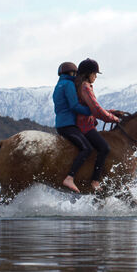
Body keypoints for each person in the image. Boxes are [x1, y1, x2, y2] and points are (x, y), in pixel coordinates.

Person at [74, 58, 127, 193]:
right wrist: (114, 119)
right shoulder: (85, 87)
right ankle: (95, 181)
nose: (96, 77)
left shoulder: (82, 85)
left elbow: (94, 109)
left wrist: (112, 112)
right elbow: (96, 110)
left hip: (84, 123)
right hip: (85, 125)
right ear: (88, 73)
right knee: (104, 148)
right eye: (94, 74)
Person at [52, 61, 94, 193]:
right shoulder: (69, 84)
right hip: (68, 124)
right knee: (87, 148)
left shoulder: (58, 85)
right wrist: (91, 111)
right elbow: (74, 106)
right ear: (72, 73)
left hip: (60, 124)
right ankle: (70, 177)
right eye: (75, 73)